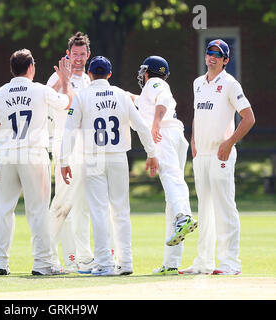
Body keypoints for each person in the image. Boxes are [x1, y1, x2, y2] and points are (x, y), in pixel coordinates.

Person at [60, 56, 159, 276]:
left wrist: (63, 160)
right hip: (118, 157)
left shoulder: (83, 96)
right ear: (110, 74)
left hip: (93, 157)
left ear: (90, 75)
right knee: (121, 210)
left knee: (99, 211)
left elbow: (69, 129)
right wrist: (151, 153)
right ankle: (126, 262)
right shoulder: (121, 95)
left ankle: (105, 262)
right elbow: (141, 126)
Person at [0, 49, 73, 276]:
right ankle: (42, 263)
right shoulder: (40, 90)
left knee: (3, 210)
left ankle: (0, 263)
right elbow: (66, 103)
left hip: (6, 155)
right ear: (32, 68)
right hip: (33, 154)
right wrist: (65, 81)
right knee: (37, 210)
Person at [180, 39, 255, 275]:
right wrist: (193, 140)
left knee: (224, 207)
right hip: (201, 154)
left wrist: (229, 142)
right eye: (209, 52)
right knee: (204, 209)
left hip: (221, 154)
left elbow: (249, 118)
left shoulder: (231, 84)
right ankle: (204, 261)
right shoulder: (197, 83)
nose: (211, 57)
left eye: (217, 54)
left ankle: (230, 263)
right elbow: (197, 113)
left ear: (225, 60)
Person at [133, 56, 197, 275]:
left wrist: (156, 124)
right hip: (175, 135)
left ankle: (184, 217)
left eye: (144, 71)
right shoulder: (146, 94)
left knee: (171, 178)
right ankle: (171, 263)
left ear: (149, 72)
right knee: (172, 193)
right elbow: (141, 102)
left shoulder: (155, 84)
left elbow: (162, 100)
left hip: (165, 134)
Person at [46, 32, 97, 273]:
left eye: (82, 54)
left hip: (86, 150)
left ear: (88, 54)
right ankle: (47, 256)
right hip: (65, 148)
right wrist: (63, 80)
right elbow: (49, 101)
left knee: (82, 205)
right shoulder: (56, 77)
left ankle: (82, 257)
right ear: (68, 54)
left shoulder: (89, 80)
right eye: (74, 54)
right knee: (62, 204)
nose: (78, 58)